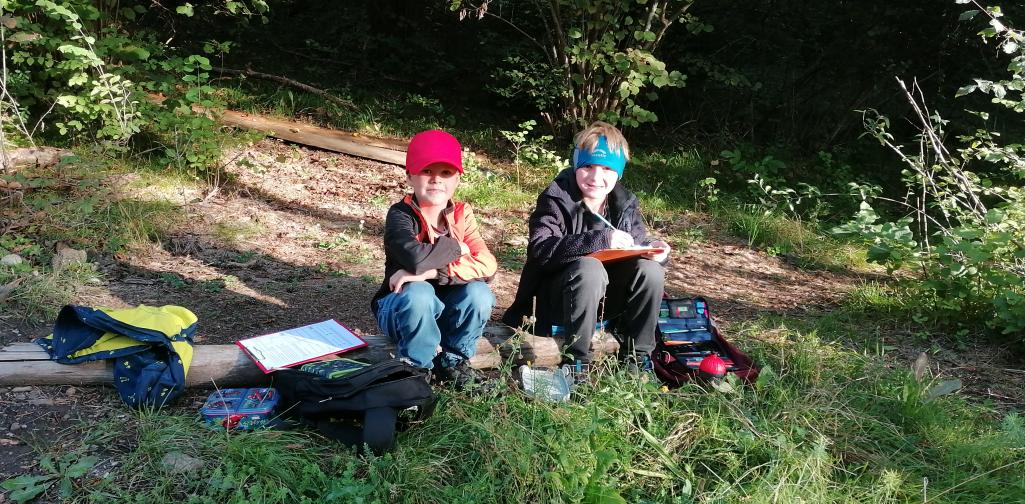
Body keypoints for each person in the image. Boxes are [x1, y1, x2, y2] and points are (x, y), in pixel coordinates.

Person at [502, 121, 670, 368]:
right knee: (589, 268)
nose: (596, 177)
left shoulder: (623, 203)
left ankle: (637, 357)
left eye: (607, 168)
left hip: (605, 303)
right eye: (588, 166)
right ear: (576, 165)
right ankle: (577, 361)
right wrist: (601, 239)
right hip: (556, 301)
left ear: (619, 173)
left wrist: (655, 250)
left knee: (651, 270)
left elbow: (638, 243)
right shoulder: (556, 197)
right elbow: (541, 250)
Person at [372, 129, 497, 388]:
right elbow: (415, 258)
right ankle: (416, 368)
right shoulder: (400, 215)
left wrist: (433, 272)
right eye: (426, 171)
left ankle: (454, 363)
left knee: (479, 293)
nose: (436, 180)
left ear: (457, 179)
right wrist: (457, 247)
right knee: (419, 293)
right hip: (402, 309)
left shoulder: (462, 213)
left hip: (446, 309)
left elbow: (488, 265)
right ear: (410, 175)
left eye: (446, 173)